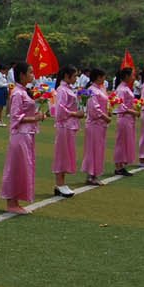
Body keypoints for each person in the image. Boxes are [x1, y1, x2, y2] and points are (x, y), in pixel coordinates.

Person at [0, 61, 44, 213]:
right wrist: (36, 118)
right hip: (20, 134)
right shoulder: (18, 93)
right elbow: (16, 117)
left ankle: (16, 200)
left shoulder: (24, 91)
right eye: (30, 72)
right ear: (22, 75)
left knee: (24, 167)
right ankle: (11, 202)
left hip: (27, 134)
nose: (33, 75)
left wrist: (37, 115)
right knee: (17, 167)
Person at [52, 66, 85, 197]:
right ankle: (59, 183)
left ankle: (62, 182)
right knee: (62, 154)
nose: (76, 78)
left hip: (70, 126)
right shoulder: (61, 90)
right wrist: (75, 114)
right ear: (67, 76)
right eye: (74, 76)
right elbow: (60, 110)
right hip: (64, 125)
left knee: (67, 154)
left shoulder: (68, 89)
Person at [80, 68, 110, 185]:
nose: (104, 79)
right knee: (93, 149)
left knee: (98, 149)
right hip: (94, 123)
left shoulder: (100, 89)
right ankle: (92, 175)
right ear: (98, 77)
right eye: (103, 77)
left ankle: (92, 174)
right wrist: (105, 117)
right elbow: (94, 109)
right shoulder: (92, 90)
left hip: (100, 124)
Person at [113, 66, 141, 176]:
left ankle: (121, 164)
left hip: (128, 118)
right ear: (126, 76)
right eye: (131, 75)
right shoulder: (121, 89)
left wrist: (136, 107)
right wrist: (133, 112)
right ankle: (118, 166)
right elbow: (120, 105)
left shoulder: (126, 88)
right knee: (121, 142)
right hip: (124, 118)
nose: (133, 77)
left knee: (126, 142)